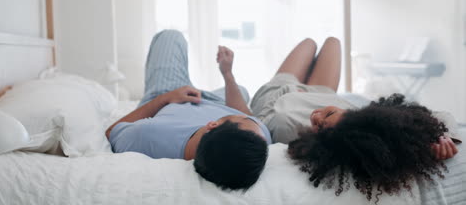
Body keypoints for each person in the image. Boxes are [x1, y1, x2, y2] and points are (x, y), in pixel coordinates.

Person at [250, 37, 461, 202]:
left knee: (309, 43)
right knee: (333, 42)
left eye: (317, 126)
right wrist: (437, 140)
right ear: (355, 116)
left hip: (277, 96)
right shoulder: (369, 125)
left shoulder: (289, 128)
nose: (315, 116)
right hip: (322, 93)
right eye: (329, 114)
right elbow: (442, 118)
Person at [106, 30, 271, 191]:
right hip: (215, 102)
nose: (248, 117)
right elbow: (241, 111)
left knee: (170, 36)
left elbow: (111, 132)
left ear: (212, 124)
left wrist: (165, 98)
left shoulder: (147, 135)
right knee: (241, 90)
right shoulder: (254, 146)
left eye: (245, 119)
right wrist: (227, 73)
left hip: (170, 96)